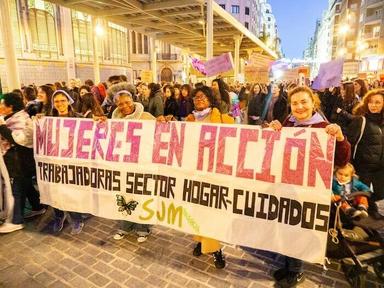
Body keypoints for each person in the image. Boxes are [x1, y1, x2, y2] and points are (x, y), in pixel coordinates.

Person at [269, 86, 351, 287]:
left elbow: (342, 159)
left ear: (313, 103)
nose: (299, 106)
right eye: (295, 103)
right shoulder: (289, 123)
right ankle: (288, 265)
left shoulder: (324, 127)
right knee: (286, 227)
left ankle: (296, 271)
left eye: (304, 101)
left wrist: (340, 138)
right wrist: (275, 131)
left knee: (298, 229)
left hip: (307, 191)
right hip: (286, 185)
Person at [186, 85, 234, 269]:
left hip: (215, 175)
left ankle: (216, 249)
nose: (199, 100)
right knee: (197, 209)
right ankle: (200, 240)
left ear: (210, 100)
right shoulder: (189, 120)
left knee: (212, 212)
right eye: (196, 97)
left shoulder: (224, 119)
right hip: (195, 174)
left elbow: (238, 140)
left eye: (203, 97)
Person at [111, 90, 155, 242]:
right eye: (120, 104)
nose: (124, 106)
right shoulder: (115, 121)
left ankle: (143, 228)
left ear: (133, 101)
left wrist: (164, 121)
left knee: (142, 195)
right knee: (125, 194)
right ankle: (125, 226)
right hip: (124, 165)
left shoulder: (146, 117)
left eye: (127, 102)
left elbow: (160, 135)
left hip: (143, 165)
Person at [0, 93, 44, 233]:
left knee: (16, 190)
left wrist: (2, 127)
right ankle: (38, 207)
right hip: (22, 162)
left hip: (18, 161)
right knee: (26, 184)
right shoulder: (14, 117)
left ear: (10, 106)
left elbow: (17, 140)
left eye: (2, 103)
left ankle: (16, 220)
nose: (0, 106)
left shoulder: (19, 119)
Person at [48, 90, 85, 234]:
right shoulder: (49, 119)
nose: (60, 104)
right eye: (56, 101)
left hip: (73, 161)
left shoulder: (79, 118)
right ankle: (59, 215)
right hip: (55, 161)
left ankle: (77, 219)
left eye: (63, 100)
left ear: (68, 101)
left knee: (71, 191)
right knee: (54, 190)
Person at [347, 89, 384, 219]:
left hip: (379, 175)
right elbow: (349, 144)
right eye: (371, 102)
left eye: (378, 102)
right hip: (362, 172)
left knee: (376, 204)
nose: (373, 105)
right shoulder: (361, 121)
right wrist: (349, 168)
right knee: (361, 205)